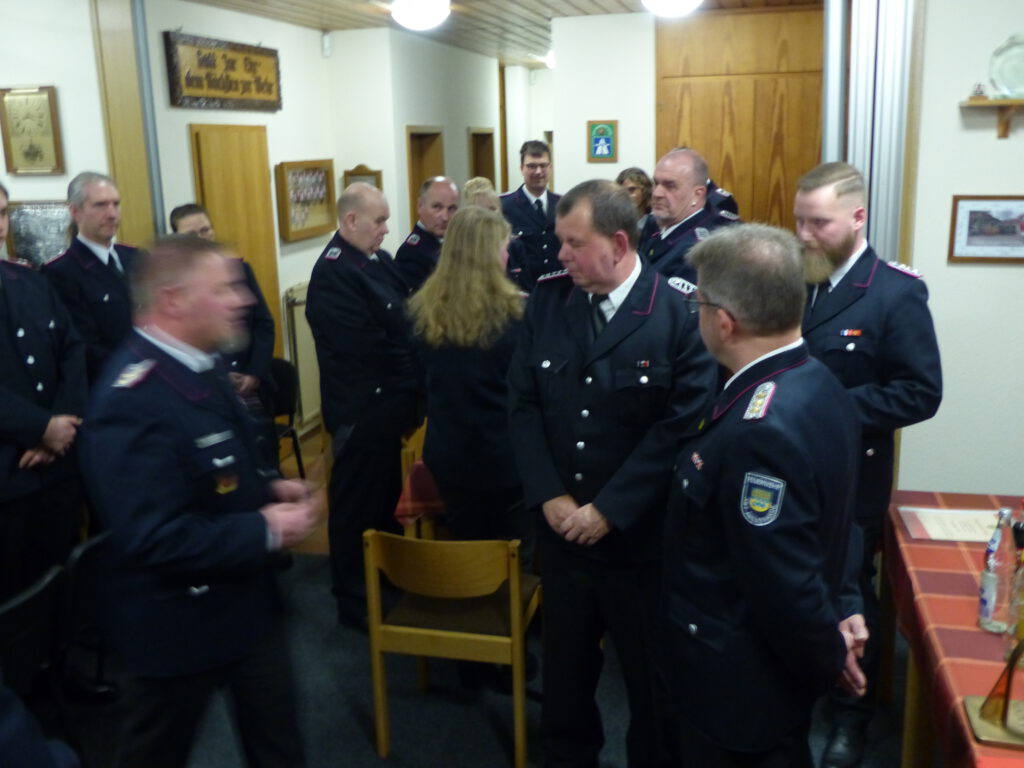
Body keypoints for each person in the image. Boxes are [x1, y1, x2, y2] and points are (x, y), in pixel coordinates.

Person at [79, 235, 319, 768]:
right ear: (174, 300)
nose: (244, 299)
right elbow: (153, 536)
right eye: (225, 288)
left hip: (246, 605)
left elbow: (224, 460)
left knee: (280, 750)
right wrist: (266, 529)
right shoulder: (131, 399)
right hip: (177, 625)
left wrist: (268, 485)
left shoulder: (201, 362)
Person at [508, 179, 716, 768]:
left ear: (619, 243)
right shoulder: (549, 301)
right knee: (565, 678)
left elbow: (681, 426)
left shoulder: (677, 313)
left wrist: (609, 509)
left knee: (651, 686)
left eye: (574, 243)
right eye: (560, 241)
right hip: (563, 537)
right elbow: (522, 404)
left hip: (638, 543)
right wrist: (548, 493)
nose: (561, 254)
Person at [661, 223, 866, 767]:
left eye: (699, 304)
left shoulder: (759, 429)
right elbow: (838, 523)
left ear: (724, 322)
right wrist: (844, 607)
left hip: (738, 686)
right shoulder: (820, 382)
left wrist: (829, 658)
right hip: (769, 675)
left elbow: (783, 585)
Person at [795, 162, 942, 768]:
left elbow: (920, 393)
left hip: (851, 476)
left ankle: (852, 717)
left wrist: (828, 407)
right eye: (799, 221)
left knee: (848, 591)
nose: (804, 235)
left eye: (819, 223)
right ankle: (801, 686)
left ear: (858, 217)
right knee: (793, 582)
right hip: (787, 471)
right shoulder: (798, 280)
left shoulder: (894, 292)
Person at [305, 183, 422, 627]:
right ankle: (353, 598)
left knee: (384, 500)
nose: (386, 229)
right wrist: (414, 365)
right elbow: (369, 348)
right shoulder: (334, 273)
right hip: (362, 409)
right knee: (356, 506)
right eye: (379, 220)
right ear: (351, 220)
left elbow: (408, 316)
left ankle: (385, 578)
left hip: (390, 405)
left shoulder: (378, 261)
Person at [408, 205, 525, 543]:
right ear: (488, 255)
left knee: (467, 544)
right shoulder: (517, 316)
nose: (507, 256)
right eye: (503, 248)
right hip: (506, 461)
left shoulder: (423, 311)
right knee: (514, 549)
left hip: (447, 458)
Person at [0, 181, 87, 602]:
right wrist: (40, 428)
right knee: (17, 602)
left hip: (57, 467)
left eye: (1, 214)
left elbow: (72, 349)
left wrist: (62, 425)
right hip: (8, 473)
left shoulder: (30, 281)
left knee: (66, 587)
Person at [169, 203, 278, 466]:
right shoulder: (172, 288)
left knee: (264, 461)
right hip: (205, 393)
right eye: (191, 234)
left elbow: (263, 324)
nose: (202, 238)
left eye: (205, 230)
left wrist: (253, 373)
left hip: (250, 385)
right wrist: (220, 375)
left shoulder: (239, 270)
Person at [43, 172, 141, 383]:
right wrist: (136, 373)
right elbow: (83, 345)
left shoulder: (136, 258)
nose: (112, 213)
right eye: (100, 205)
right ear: (75, 211)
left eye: (116, 204)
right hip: (110, 383)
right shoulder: (60, 273)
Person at [638, 149, 739, 283]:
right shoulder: (657, 222)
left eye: (670, 186)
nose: (657, 193)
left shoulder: (703, 249)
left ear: (697, 194)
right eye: (656, 183)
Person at [501, 139, 561, 287]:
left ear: (550, 167)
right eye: (532, 166)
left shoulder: (563, 205)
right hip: (522, 290)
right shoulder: (505, 207)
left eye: (543, 165)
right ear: (522, 168)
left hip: (559, 290)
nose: (538, 171)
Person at [394, 177, 459, 292]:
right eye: (437, 207)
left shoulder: (456, 243)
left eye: (451, 208)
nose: (445, 217)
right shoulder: (410, 253)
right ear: (420, 206)